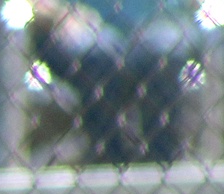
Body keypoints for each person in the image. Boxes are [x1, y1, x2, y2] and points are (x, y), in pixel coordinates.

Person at [27, 0, 204, 166]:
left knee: (160, 55)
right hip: (86, 25)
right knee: (100, 59)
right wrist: (58, 12)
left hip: (161, 21)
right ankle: (109, 165)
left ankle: (161, 165)